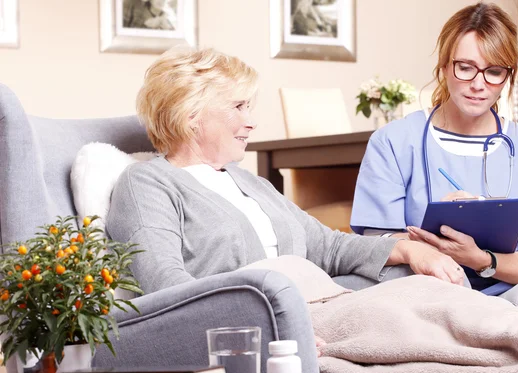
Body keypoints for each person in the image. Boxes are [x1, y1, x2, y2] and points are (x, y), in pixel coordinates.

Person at [106, 47, 468, 302]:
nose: (251, 121)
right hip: (264, 315)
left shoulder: (247, 181)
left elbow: (329, 246)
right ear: (191, 115)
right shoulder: (147, 184)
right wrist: (266, 325)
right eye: (238, 106)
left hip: (319, 298)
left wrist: (408, 249)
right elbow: (165, 285)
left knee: (427, 277)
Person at [350, 2, 518, 307]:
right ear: (444, 66)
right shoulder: (393, 142)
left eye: (494, 71)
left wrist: (482, 259)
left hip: (505, 293)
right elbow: (373, 245)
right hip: (425, 290)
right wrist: (432, 245)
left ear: (508, 76)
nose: (478, 84)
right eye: (465, 67)